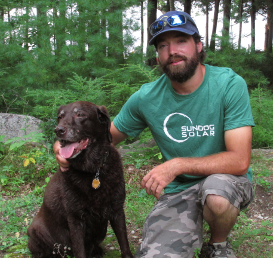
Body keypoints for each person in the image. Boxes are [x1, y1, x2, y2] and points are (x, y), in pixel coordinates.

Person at [54, 10, 255, 258]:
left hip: (225, 180)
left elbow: (239, 160)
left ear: (199, 45)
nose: (172, 51)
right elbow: (106, 136)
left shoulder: (228, 85)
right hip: (180, 191)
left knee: (216, 194)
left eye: (181, 41)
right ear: (158, 56)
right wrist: (66, 144)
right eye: (163, 45)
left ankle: (217, 245)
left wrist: (177, 165)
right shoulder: (146, 97)